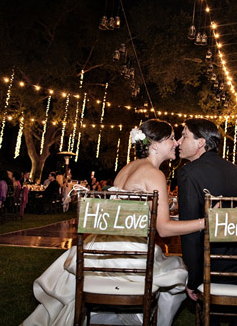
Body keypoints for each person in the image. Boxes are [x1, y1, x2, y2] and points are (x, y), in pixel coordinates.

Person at [23, 119, 200, 326]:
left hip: (98, 253)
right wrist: (203, 222)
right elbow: (164, 229)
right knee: (181, 273)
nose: (176, 142)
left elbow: (128, 211)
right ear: (155, 145)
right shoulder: (155, 175)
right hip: (130, 258)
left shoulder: (126, 169)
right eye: (170, 138)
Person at [176, 118, 237, 305]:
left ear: (200, 143)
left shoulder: (189, 173)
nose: (178, 141)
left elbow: (191, 235)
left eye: (184, 136)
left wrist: (193, 279)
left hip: (217, 270)